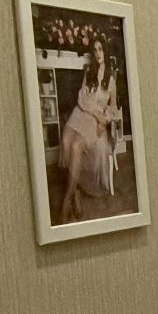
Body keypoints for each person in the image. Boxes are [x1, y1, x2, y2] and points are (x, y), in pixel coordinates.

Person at [56, 34, 119, 221]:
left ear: (105, 51)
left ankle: (67, 199)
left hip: (94, 122)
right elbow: (82, 99)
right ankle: (75, 193)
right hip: (80, 113)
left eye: (101, 49)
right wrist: (95, 112)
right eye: (95, 50)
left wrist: (104, 119)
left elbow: (113, 107)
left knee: (76, 146)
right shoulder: (89, 72)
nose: (98, 53)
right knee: (65, 141)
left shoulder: (111, 79)